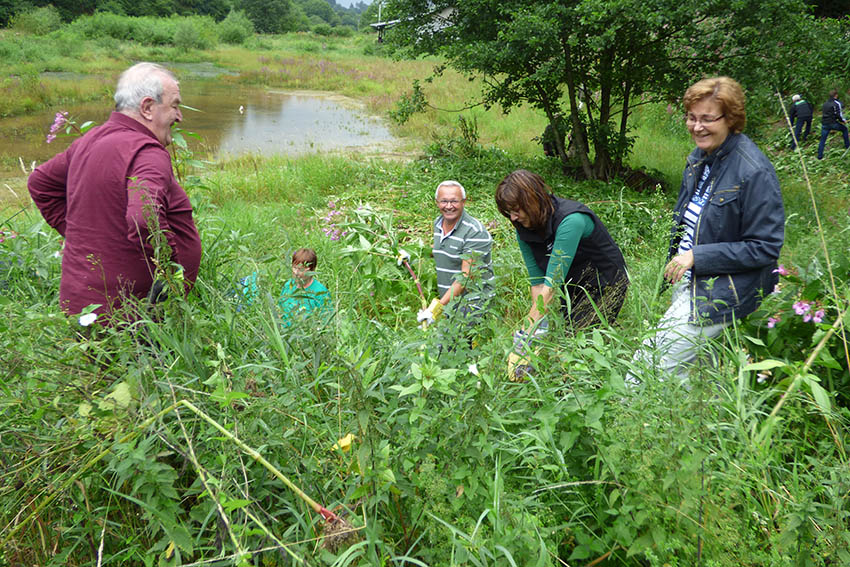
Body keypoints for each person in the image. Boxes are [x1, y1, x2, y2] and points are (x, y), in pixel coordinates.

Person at [636, 76, 784, 379]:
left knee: (647, 365)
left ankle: (628, 419)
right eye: (691, 117)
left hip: (724, 289)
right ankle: (680, 426)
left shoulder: (753, 171)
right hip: (690, 280)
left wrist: (697, 256)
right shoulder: (699, 158)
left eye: (707, 118)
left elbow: (765, 247)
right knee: (697, 375)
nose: (696, 126)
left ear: (730, 119)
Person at [27, 62, 201, 319]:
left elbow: (40, 183)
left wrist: (81, 238)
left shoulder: (90, 139)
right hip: (130, 314)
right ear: (148, 107)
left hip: (81, 305)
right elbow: (144, 218)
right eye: (174, 105)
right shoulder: (148, 153)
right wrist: (171, 272)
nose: (179, 116)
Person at [495, 169, 629, 337]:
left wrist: (524, 336)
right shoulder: (523, 228)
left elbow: (551, 285)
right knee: (567, 335)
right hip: (573, 283)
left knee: (581, 340)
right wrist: (535, 327)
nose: (513, 218)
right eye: (509, 213)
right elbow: (538, 284)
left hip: (605, 282)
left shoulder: (571, 220)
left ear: (532, 201)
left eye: (516, 210)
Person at [418, 180, 495, 326]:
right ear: (436, 202)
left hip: (472, 306)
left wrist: (436, 308)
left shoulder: (474, 232)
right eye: (444, 201)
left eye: (454, 201)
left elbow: (467, 276)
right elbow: (443, 251)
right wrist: (412, 257)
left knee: (461, 346)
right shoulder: (438, 224)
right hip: (451, 302)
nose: (448, 206)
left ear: (464, 202)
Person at [279, 248, 331, 326]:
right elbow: (280, 311)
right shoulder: (288, 285)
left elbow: (326, 321)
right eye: (294, 267)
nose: (296, 273)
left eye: (301, 269)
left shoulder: (321, 292)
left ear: (312, 270)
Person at [817, 89, 850, 159]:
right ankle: (847, 146)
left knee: (823, 140)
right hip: (832, 123)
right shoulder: (836, 104)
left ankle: (819, 156)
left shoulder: (825, 103)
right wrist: (843, 120)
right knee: (845, 129)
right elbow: (839, 114)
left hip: (824, 124)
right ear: (836, 95)